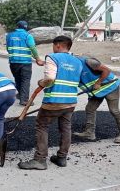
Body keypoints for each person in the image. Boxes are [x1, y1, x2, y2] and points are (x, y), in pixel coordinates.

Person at [18, 35, 83, 170]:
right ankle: (61, 158)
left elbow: (50, 78)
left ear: (58, 45)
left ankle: (40, 160)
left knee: (42, 126)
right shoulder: (77, 61)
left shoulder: (53, 57)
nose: (53, 48)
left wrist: (41, 83)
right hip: (70, 101)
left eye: (53, 46)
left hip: (53, 101)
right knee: (65, 128)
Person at [73, 55, 120, 143]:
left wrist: (98, 82)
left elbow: (106, 70)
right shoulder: (71, 68)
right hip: (97, 91)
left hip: (110, 86)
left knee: (114, 110)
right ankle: (89, 133)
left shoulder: (89, 62)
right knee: (90, 109)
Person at [6, 20, 45, 106]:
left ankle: (20, 95)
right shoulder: (28, 35)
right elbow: (33, 48)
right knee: (25, 80)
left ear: (17, 26)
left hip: (13, 62)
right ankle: (24, 100)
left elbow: (8, 48)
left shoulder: (9, 35)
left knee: (18, 79)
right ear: (26, 27)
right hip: (25, 62)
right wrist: (37, 59)